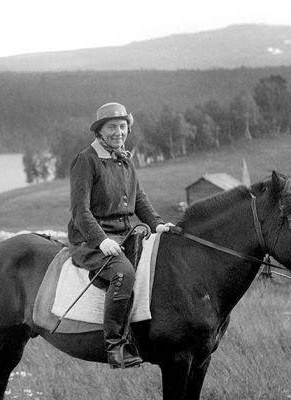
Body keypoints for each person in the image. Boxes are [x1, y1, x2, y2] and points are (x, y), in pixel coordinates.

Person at [67, 102, 173, 369]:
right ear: (100, 132)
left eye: (122, 126)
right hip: (91, 240)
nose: (118, 132)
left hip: (124, 236)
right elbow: (80, 211)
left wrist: (157, 224)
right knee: (123, 273)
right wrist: (101, 241)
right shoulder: (86, 160)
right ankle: (115, 346)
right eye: (112, 127)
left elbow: (139, 199)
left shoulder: (124, 159)